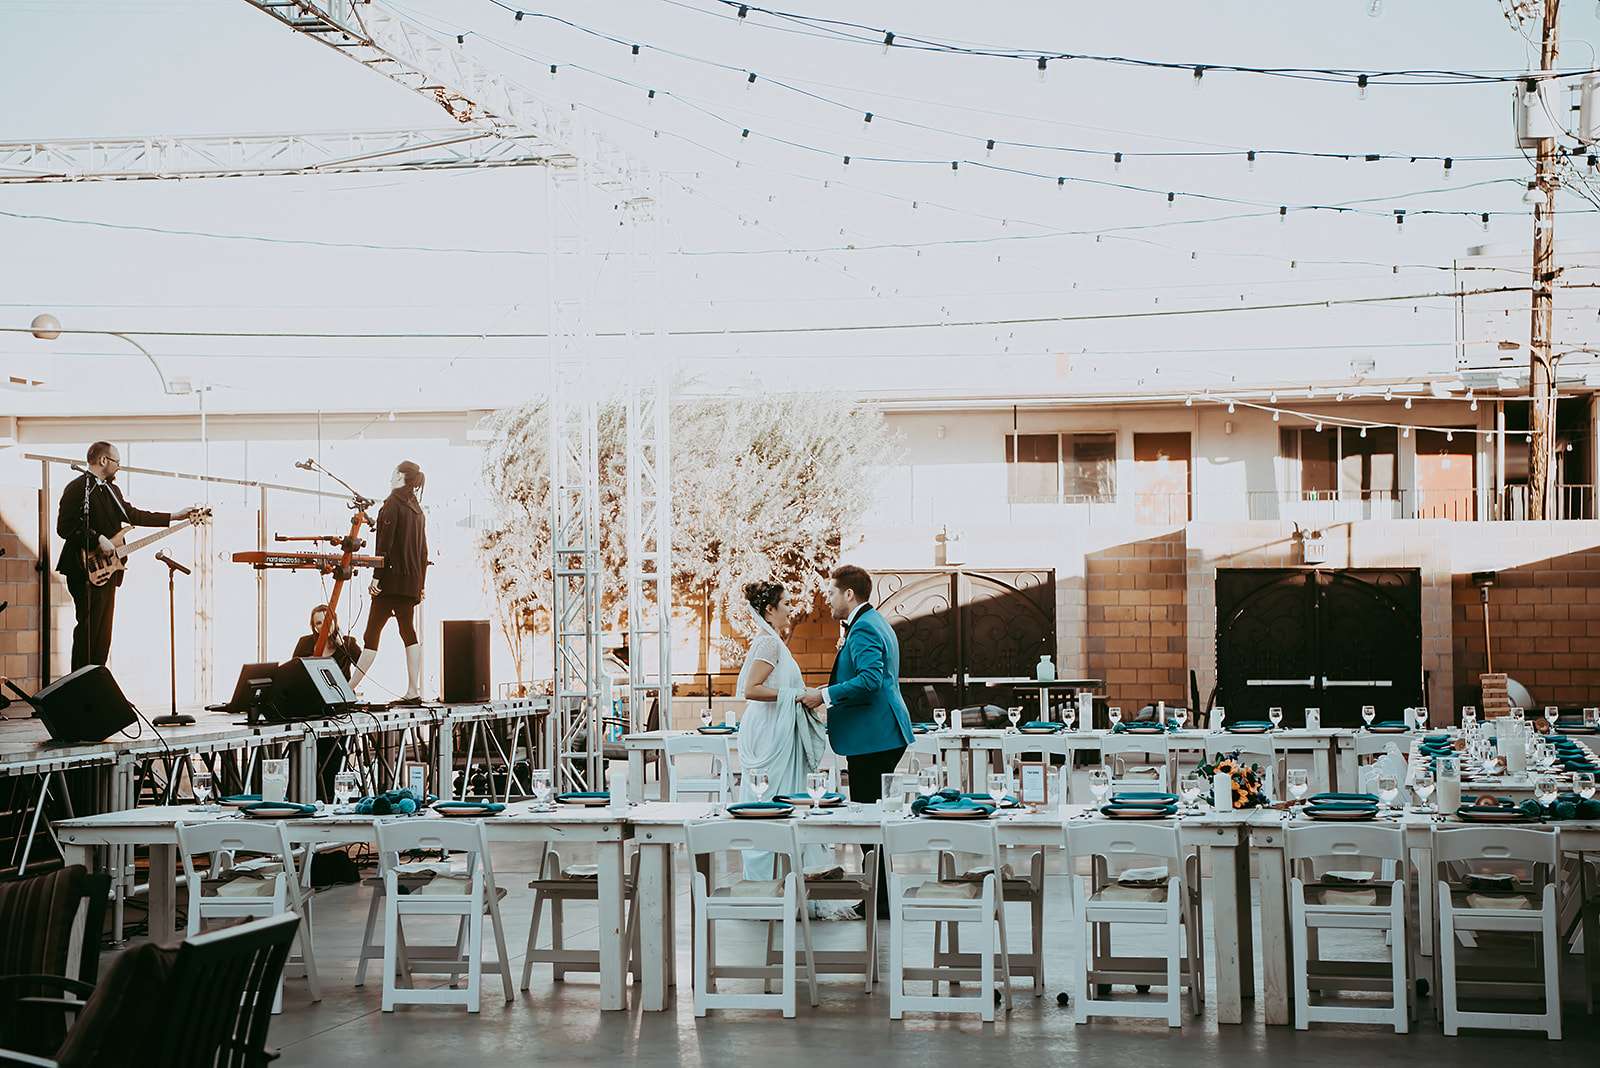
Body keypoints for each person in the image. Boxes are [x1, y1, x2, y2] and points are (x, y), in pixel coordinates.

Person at [734, 579, 854, 919]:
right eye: (785, 603)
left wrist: (804, 693)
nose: (791, 608)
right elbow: (751, 689)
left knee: (786, 803)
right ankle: (768, 891)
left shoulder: (774, 642)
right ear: (769, 609)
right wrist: (794, 695)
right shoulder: (768, 644)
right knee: (770, 805)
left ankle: (788, 889)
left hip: (779, 727)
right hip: (770, 732)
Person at [802, 564, 913, 916]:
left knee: (868, 820)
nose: (827, 600)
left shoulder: (864, 627)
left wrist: (824, 695)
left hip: (874, 736)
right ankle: (879, 901)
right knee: (871, 819)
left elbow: (870, 680)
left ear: (848, 594)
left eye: (831, 593)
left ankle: (878, 903)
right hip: (879, 733)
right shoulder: (873, 621)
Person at [54, 441, 200, 670]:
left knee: (103, 634)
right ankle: (79, 684)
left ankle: (97, 680)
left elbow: (133, 515)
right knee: (88, 629)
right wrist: (96, 538)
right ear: (103, 460)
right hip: (84, 569)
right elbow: (64, 527)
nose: (119, 467)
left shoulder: (112, 490)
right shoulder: (78, 487)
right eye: (117, 462)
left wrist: (174, 516)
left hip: (108, 569)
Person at [350, 461, 429, 703]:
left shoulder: (392, 505)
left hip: (390, 582)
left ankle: (348, 689)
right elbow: (423, 552)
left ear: (401, 477)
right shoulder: (418, 510)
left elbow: (385, 545)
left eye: (394, 472)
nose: (390, 475)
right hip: (410, 583)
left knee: (371, 634)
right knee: (408, 632)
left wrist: (377, 576)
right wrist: (421, 584)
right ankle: (413, 690)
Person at [291, 603, 361, 680]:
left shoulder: (348, 643)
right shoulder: (304, 642)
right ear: (315, 627)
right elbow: (293, 671)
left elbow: (362, 666)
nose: (324, 625)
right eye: (319, 623)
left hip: (340, 687)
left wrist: (342, 646)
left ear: (335, 621)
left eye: (327, 620)